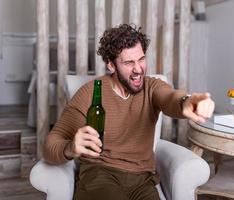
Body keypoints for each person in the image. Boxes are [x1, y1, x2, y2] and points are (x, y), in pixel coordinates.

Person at [43, 24, 215, 200]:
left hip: (142, 181)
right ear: (111, 65)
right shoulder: (91, 93)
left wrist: (186, 102)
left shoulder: (152, 87)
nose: (138, 69)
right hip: (100, 176)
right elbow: (50, 144)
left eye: (141, 59)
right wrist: (70, 148)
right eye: (128, 62)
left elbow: (170, 97)